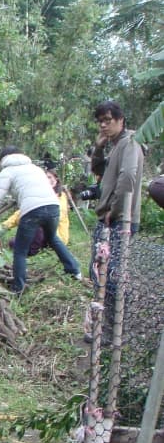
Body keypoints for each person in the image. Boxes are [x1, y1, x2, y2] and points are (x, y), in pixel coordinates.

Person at [0, 146, 80, 293]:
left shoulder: (7, 171)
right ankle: (74, 270)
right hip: (53, 206)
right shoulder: (35, 168)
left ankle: (18, 288)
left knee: (20, 250)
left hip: (33, 210)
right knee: (52, 238)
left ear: (3, 160)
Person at [88, 101, 144, 320]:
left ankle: (115, 324)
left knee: (112, 275)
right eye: (100, 121)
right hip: (109, 218)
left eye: (108, 120)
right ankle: (103, 323)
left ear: (121, 120)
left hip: (120, 220)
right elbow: (100, 171)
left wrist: (115, 209)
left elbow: (128, 177)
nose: (103, 125)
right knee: (98, 270)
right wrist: (99, 148)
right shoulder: (115, 145)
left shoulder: (130, 143)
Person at [2, 169, 70, 255]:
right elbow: (22, 211)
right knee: (13, 242)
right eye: (45, 178)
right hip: (38, 233)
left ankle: (32, 251)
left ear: (56, 179)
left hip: (56, 236)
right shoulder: (39, 194)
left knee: (38, 223)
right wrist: (5, 226)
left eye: (50, 177)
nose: (48, 180)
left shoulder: (61, 196)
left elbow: (58, 215)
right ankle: (30, 246)